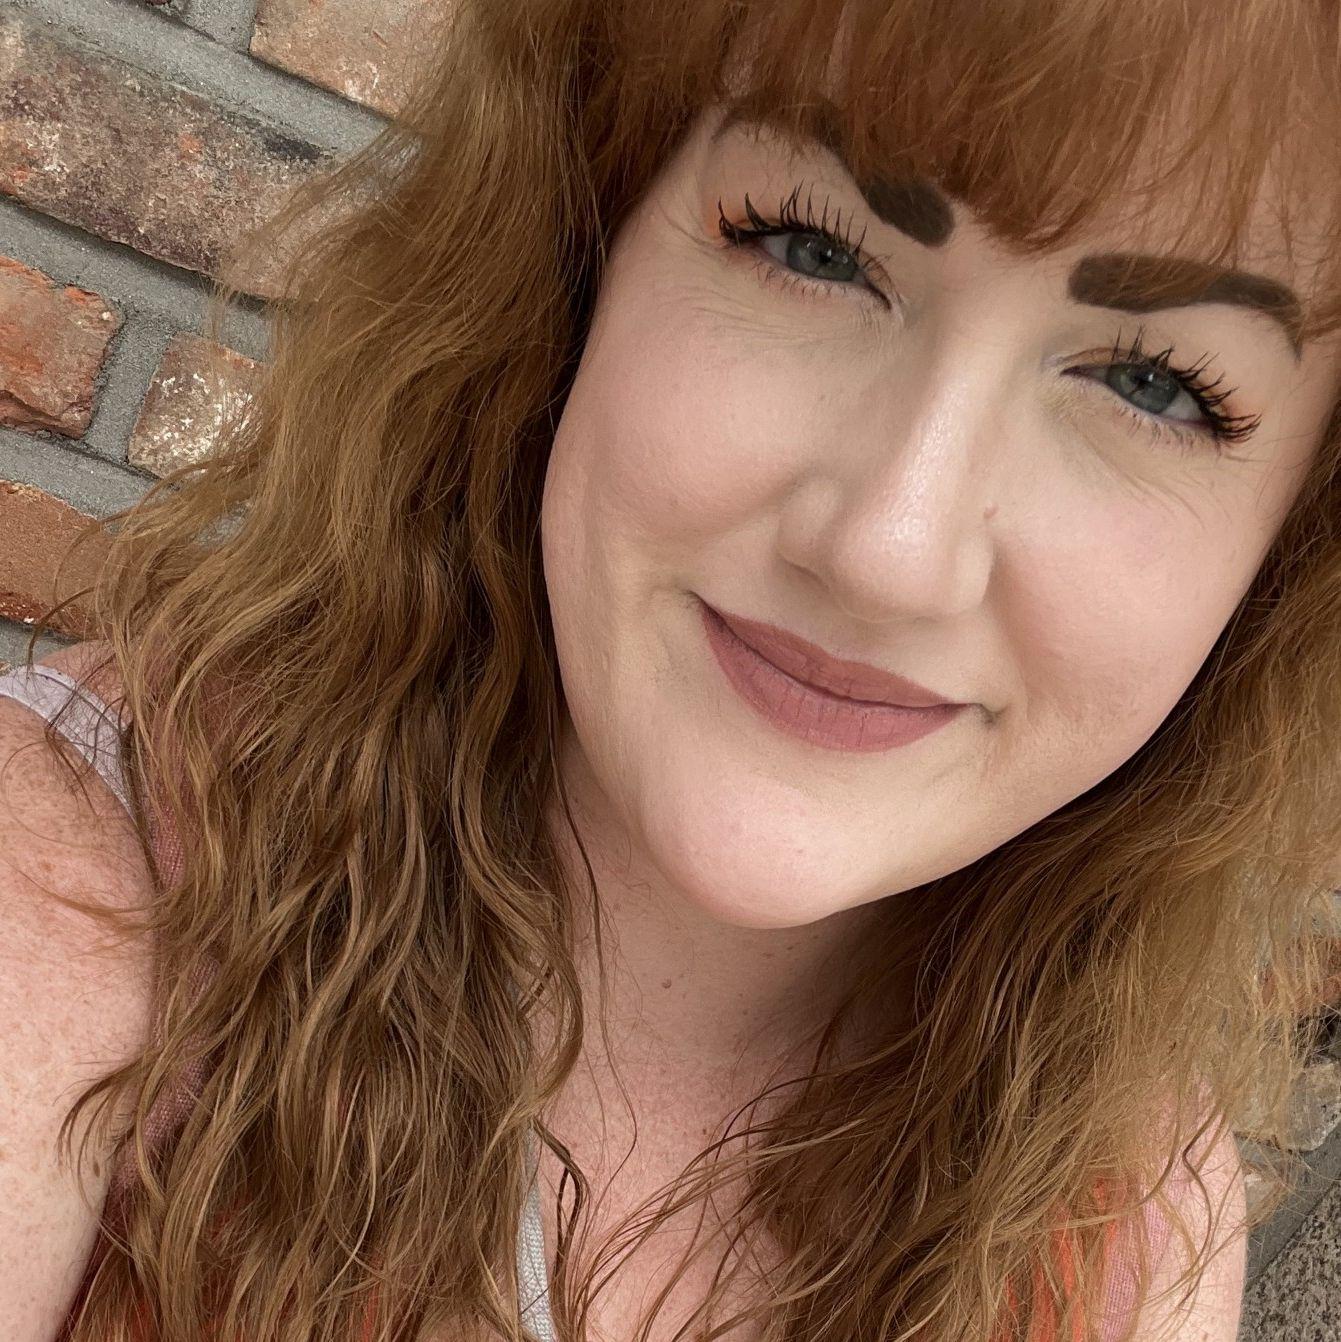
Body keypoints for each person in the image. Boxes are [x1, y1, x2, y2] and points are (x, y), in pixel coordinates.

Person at [3, 0, 1340, 1338]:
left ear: (1291, 550)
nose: (890, 551)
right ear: (581, 247)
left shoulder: (1132, 1224)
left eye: (1155, 385)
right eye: (813, 247)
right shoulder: (67, 893)